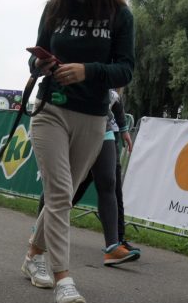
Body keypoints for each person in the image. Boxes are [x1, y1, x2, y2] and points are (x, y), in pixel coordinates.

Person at [21, 0, 135, 303]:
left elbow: (126, 68)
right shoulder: (54, 8)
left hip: (94, 118)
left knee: (63, 196)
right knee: (59, 193)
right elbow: (34, 59)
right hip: (50, 111)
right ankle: (64, 280)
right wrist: (39, 64)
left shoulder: (120, 15)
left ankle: (33, 254)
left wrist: (88, 71)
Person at [32, 89, 140, 266]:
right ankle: (40, 231)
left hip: (100, 124)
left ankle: (113, 246)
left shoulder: (111, 91)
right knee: (64, 186)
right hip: (67, 119)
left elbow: (117, 101)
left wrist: (124, 130)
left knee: (109, 181)